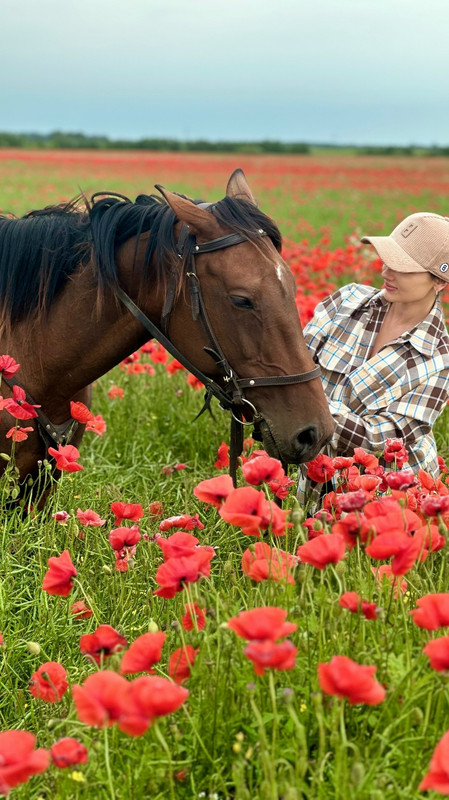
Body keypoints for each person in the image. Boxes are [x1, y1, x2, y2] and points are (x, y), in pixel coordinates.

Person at [298, 211, 449, 505]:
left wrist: (306, 406)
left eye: (402, 268)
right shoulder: (346, 302)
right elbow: (294, 364)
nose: (386, 273)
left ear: (440, 281)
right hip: (316, 479)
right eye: (387, 260)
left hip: (391, 496)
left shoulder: (439, 358)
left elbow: (383, 440)